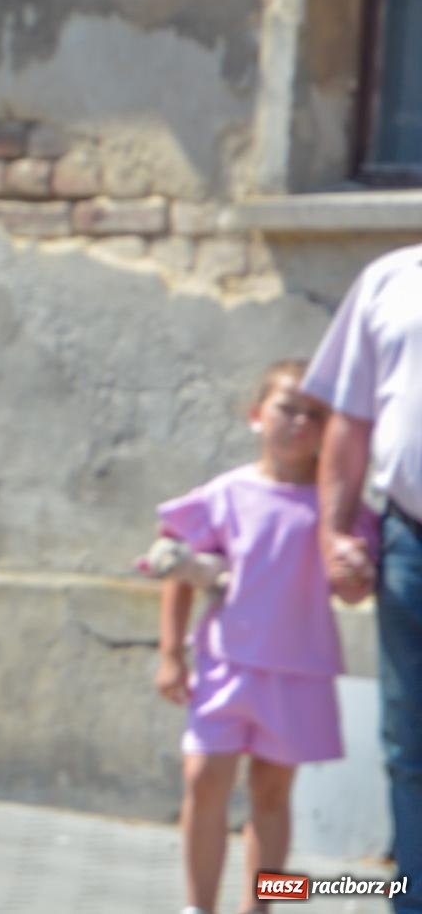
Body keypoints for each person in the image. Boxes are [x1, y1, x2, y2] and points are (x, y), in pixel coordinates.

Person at [152, 360, 376, 914]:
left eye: (315, 414)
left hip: (299, 671)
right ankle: (197, 906)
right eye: (287, 408)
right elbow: (180, 570)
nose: (300, 422)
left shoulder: (338, 507)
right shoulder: (225, 494)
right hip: (225, 665)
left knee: (272, 795)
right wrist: (170, 653)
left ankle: (263, 906)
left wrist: (355, 573)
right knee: (204, 779)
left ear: (332, 428)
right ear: (256, 415)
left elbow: (353, 589)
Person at [302, 243, 422, 913]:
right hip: (410, 544)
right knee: (410, 743)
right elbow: (351, 416)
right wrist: (336, 531)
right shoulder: (391, 278)